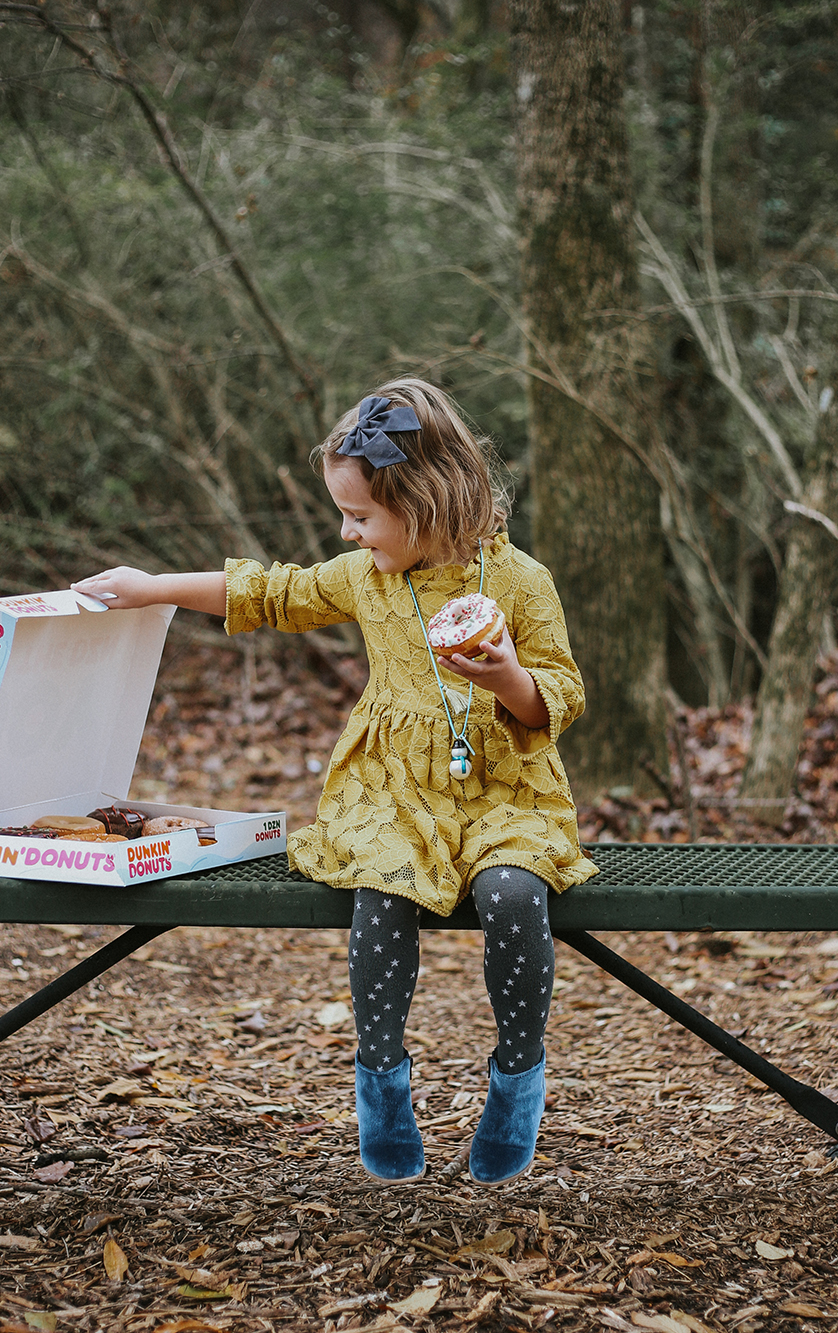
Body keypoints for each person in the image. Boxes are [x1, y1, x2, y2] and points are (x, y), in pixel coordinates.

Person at [72, 378, 597, 1187]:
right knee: (380, 895)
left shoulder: (520, 582)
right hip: (392, 791)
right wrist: (154, 588)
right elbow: (269, 592)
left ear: (424, 504)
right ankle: (382, 1088)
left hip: (507, 788)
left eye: (359, 517)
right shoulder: (364, 578)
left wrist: (506, 679)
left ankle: (516, 1084)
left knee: (514, 895)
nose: (345, 531)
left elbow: (560, 693)